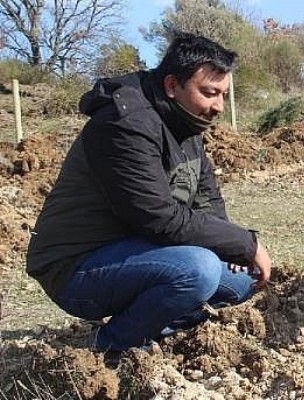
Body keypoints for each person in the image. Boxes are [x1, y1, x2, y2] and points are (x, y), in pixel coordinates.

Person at [26, 33, 272, 352]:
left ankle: (153, 326)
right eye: (210, 93)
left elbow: (206, 197)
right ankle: (111, 348)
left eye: (223, 95)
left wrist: (234, 250)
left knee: (240, 280)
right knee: (199, 270)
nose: (218, 107)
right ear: (172, 86)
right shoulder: (124, 123)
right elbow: (159, 218)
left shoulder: (184, 121)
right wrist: (244, 243)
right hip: (76, 267)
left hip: (134, 251)